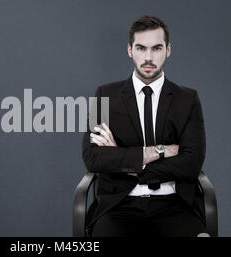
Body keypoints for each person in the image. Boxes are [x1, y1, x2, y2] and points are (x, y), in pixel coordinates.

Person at [82, 15, 206, 237]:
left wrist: (126, 162)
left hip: (174, 206)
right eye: (141, 48)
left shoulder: (187, 99)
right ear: (130, 50)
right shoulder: (104, 95)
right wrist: (161, 151)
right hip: (119, 207)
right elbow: (93, 157)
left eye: (156, 48)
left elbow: (191, 162)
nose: (148, 57)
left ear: (168, 50)